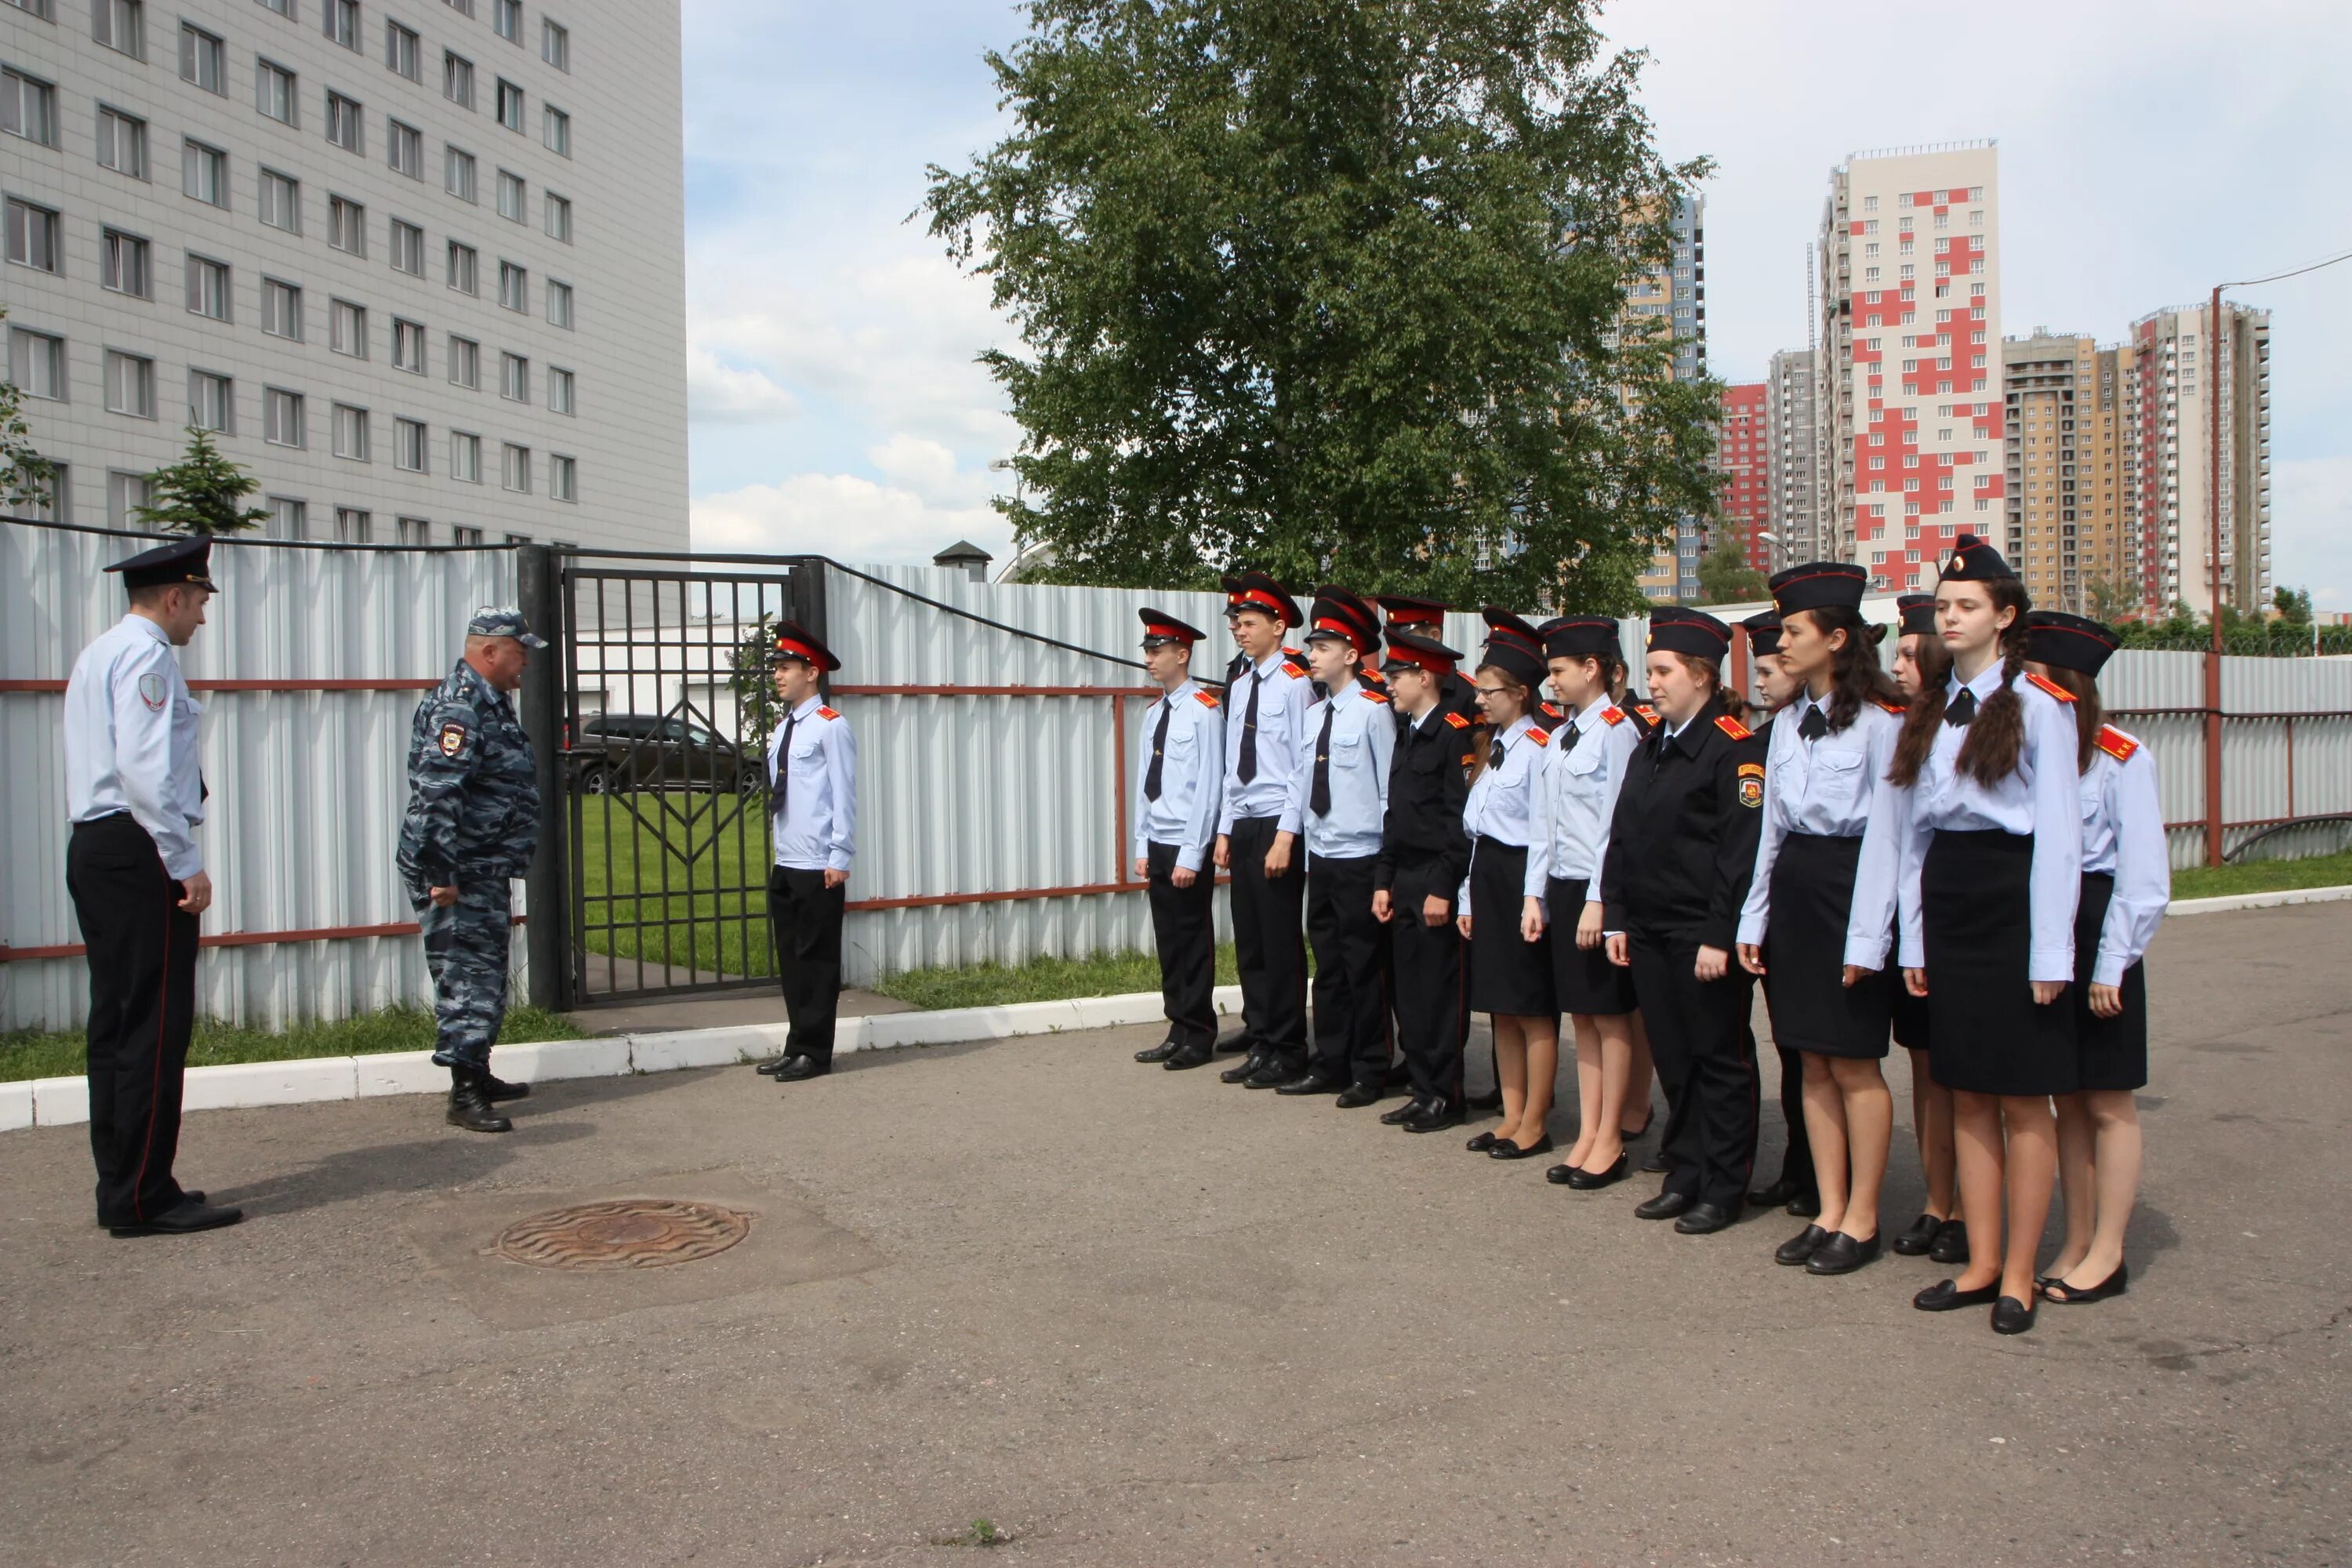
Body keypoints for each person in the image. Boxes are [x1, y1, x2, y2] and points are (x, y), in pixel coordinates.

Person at [1891, 535, 2082, 1335]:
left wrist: (2050, 952)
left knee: (2022, 1099)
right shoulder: (1930, 709)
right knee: (1966, 1088)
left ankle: (2019, 1275)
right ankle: (1978, 1261)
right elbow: (1913, 836)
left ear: (2005, 617)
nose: (1953, 616)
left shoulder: (2041, 708)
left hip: (2012, 901)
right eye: (1945, 606)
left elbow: (2061, 841)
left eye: (1967, 606)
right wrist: (1915, 940)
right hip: (1952, 899)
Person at [63, 536, 239, 1236]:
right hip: (139, 852)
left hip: (98, 846)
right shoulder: (147, 655)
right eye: (197, 603)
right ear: (173, 598)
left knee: (115, 1025)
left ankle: (124, 1185)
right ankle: (144, 1196)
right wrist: (183, 859)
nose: (199, 617)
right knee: (154, 1028)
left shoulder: (100, 651)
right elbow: (145, 773)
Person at [1737, 565, 1910, 1276]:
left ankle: (1863, 1217)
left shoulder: (1880, 723)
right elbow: (1771, 833)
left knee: (1855, 1062)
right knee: (1808, 1054)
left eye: (1793, 632)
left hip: (1851, 890)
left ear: (1837, 639)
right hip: (1799, 893)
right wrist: (1755, 920)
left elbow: (1890, 838)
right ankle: (1828, 1207)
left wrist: (1870, 937)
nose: (1781, 642)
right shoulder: (1785, 728)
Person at [1602, 608, 1767, 1235]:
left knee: (1719, 1060)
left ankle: (1725, 1185)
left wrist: (1718, 937)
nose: (1655, 682)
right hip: (1648, 927)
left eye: (1665, 670)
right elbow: (1623, 835)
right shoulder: (1651, 745)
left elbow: (1738, 854)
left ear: (1702, 674)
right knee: (1674, 1057)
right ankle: (1687, 1170)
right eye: (1650, 671)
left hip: (1701, 933)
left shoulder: (1731, 748)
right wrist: (1617, 915)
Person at [2024, 611, 2167, 1306]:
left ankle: (2109, 1251)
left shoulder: (2119, 757)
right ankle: (2075, 1239)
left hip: (2100, 927)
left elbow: (2143, 878)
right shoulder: (2031, 756)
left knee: (2108, 1100)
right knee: (2064, 1099)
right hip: (2049, 931)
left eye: (2033, 680)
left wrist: (2114, 964)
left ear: (2067, 689)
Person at [399, 607, 546, 1134]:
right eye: (519, 650)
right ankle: (463, 1092)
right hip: (456, 871)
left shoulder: (491, 703)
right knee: (465, 978)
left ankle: (477, 1070)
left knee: (485, 973)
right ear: (489, 651)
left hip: (481, 867)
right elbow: (438, 794)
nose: (525, 660)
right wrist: (441, 874)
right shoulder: (459, 708)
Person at [1526, 615, 1645, 1191]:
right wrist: (1536, 893)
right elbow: (1544, 824)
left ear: (1591, 669)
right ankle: (1590, 1130)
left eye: (1557, 671)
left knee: (1610, 1014)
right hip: (1566, 887)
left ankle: (1612, 1137)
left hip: (1600, 890)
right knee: (1583, 1016)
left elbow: (1616, 827)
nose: (1549, 682)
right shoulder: (1560, 733)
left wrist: (1602, 900)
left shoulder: (1617, 731)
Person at [1279, 588, 1396, 1104]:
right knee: (1327, 965)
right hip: (1321, 856)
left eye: (1323, 646)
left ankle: (1369, 1067)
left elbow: (1389, 791)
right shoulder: (1313, 716)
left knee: (1362, 967)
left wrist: (1385, 871)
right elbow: (1300, 784)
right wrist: (1291, 838)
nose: (1313, 654)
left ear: (1351, 654)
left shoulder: (1373, 711)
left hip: (1361, 857)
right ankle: (1331, 1059)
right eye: (1312, 645)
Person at [1458, 610, 1560, 1161]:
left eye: (1489, 691)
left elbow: (1542, 830)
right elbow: (1477, 834)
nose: (1480, 700)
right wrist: (1468, 897)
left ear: (1520, 694)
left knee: (1531, 1006)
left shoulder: (1540, 745)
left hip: (1524, 876)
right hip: (1491, 875)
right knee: (1499, 1005)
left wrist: (1533, 898)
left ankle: (1536, 1121)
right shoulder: (1492, 747)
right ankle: (1511, 1114)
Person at [1886, 593, 1966, 1264]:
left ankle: (1971, 1205)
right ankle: (1939, 1200)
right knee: (1925, 1070)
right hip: (1914, 923)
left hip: (1966, 917)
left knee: (1968, 1073)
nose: (1900, 663)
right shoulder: (1909, 726)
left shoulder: (1971, 721)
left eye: (1912, 653)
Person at [1735, 612, 1822, 1221]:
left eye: (1772, 668)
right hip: (1773, 912)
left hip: (1818, 906)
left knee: (1821, 1054)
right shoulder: (1763, 740)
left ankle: (1821, 1176)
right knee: (1791, 1048)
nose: (1761, 681)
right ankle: (1800, 1164)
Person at [1214, 573, 1316, 1089]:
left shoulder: (1296, 683)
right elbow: (1235, 761)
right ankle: (1261, 1040)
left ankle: (1289, 1046)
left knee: (1280, 942)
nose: (1239, 630)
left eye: (1249, 622)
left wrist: (1286, 834)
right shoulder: (1241, 682)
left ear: (1278, 626)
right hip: (1247, 821)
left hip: (1279, 822)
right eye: (1236, 622)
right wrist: (1227, 828)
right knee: (1251, 940)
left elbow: (1303, 763)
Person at [1374, 629, 1475, 1132]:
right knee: (1409, 992)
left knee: (1440, 993)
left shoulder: (1455, 734)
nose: (1389, 685)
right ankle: (1420, 1086)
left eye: (1396, 676)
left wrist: (1442, 887)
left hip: (1437, 879)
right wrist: (1383, 880)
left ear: (1424, 677)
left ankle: (1445, 1093)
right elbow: (1396, 814)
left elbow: (1459, 822)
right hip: (1405, 877)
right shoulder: (1408, 731)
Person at [756, 620, 856, 1083]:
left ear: (811, 672)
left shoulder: (830, 728)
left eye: (787, 667)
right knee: (792, 958)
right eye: (776, 667)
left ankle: (815, 1053)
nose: (778, 675)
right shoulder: (782, 730)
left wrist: (840, 856)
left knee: (816, 961)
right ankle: (796, 1044)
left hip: (818, 864)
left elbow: (843, 794)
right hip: (787, 860)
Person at [1131, 608, 1225, 1071]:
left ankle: (1200, 1032)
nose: (1149, 659)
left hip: (1189, 843)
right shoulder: (1154, 713)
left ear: (1182, 655)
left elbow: (1209, 787)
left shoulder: (1205, 711)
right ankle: (1177, 1026)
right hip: (1160, 840)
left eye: (1157, 651)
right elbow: (1145, 784)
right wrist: (1141, 846)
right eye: (1148, 651)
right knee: (1168, 940)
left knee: (1192, 940)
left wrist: (1194, 852)